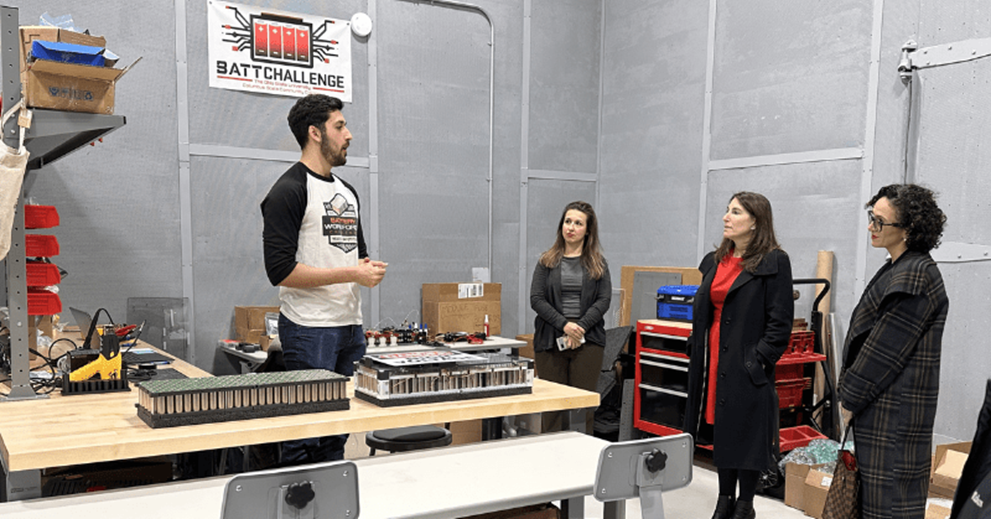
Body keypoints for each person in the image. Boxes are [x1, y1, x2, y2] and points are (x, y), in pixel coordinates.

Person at [261, 94, 387, 465]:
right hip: (309, 329)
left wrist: (366, 269)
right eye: (339, 126)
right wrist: (352, 273)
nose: (348, 134)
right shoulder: (288, 190)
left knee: (337, 432)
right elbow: (280, 271)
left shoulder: (347, 191)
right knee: (305, 435)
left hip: (350, 327)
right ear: (314, 133)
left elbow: (355, 255)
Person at [838, 184, 948, 519]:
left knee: (889, 508)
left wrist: (848, 399)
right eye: (872, 217)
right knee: (877, 503)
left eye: (880, 222)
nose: (871, 227)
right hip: (884, 410)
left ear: (909, 230)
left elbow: (882, 353)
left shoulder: (914, 275)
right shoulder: (900, 266)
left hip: (893, 416)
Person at [683, 192, 794, 519]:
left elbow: (780, 322)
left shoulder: (774, 261)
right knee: (722, 428)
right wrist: (696, 343)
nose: (725, 217)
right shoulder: (715, 260)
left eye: (735, 212)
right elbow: (703, 309)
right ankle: (723, 498)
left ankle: (745, 504)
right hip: (713, 355)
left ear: (755, 221)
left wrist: (759, 359)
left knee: (746, 431)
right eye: (727, 210)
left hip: (745, 360)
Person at [530, 201, 611, 433]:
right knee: (553, 407)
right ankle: (552, 458)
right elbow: (536, 299)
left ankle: (581, 459)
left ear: (588, 230)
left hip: (588, 343)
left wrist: (580, 328)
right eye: (568, 221)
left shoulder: (599, 263)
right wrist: (565, 325)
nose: (571, 227)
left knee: (582, 408)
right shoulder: (546, 261)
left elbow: (603, 300)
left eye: (578, 223)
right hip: (550, 342)